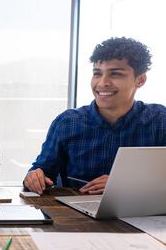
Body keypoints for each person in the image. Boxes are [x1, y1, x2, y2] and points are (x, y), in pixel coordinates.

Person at [24, 37, 166, 195]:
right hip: (76, 215)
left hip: (141, 214)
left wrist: (125, 184)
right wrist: (33, 177)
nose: (102, 83)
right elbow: (43, 170)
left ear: (140, 80)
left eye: (115, 74)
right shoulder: (67, 122)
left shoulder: (160, 120)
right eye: (97, 74)